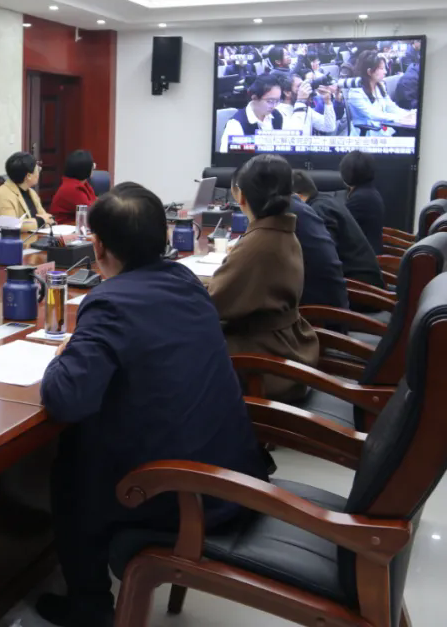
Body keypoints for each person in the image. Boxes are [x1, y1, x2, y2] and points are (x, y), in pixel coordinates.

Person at [37, 182, 268, 627]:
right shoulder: (186, 281)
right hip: (232, 474)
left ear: (98, 246)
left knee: (72, 463)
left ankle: (88, 608)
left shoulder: (110, 302)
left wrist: (64, 353)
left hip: (181, 494)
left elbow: (65, 399)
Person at [208, 156, 320, 402]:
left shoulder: (258, 244)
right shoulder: (282, 231)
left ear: (241, 196)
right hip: (290, 349)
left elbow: (211, 304)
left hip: (265, 367)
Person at [292, 170, 385, 290]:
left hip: (361, 288)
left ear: (297, 196)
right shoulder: (326, 201)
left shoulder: (319, 210)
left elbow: (324, 258)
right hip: (364, 280)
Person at [346, 50, 415, 134]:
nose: (385, 72)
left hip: (383, 130)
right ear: (369, 72)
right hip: (368, 134)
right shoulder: (355, 92)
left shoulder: (380, 85)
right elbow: (373, 114)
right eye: (382, 69)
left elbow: (390, 107)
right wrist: (399, 118)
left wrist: (408, 115)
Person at [0, 152, 54, 229]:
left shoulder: (31, 193)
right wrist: (40, 221)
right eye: (38, 170)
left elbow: (46, 218)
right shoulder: (3, 195)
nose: (39, 173)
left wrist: (48, 221)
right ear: (29, 176)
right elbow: (10, 226)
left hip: (32, 235)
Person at [218, 75, 285, 153]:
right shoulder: (236, 125)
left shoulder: (277, 116)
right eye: (270, 101)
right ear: (254, 98)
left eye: (277, 101)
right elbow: (228, 158)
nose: (274, 106)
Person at [340, 150, 386, 255]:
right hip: (367, 253)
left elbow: (339, 226)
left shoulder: (360, 199)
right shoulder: (369, 192)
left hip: (362, 258)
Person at [48, 150, 98, 224]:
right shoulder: (72, 188)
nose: (94, 167)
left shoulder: (83, 184)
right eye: (92, 165)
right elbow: (91, 212)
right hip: (64, 227)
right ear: (85, 169)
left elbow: (95, 203)